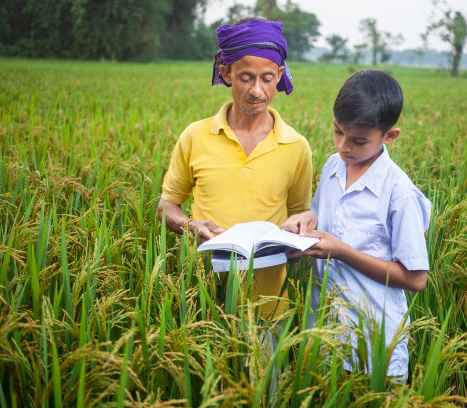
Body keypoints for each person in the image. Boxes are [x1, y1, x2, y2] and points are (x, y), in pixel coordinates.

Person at [156, 18, 313, 318]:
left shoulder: (296, 146)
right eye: (245, 78)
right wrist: (191, 226)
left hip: (268, 303)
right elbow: (166, 208)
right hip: (200, 294)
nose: (257, 90)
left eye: (267, 78)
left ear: (280, 75)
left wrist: (300, 235)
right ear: (226, 73)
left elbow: (298, 215)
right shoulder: (195, 136)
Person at [282, 69, 431, 382]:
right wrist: (307, 219)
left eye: (358, 141)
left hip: (374, 349)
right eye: (338, 132)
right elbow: (323, 217)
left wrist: (342, 252)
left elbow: (416, 279)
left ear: (390, 136)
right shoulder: (334, 166)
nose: (343, 146)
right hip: (322, 339)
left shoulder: (398, 195)